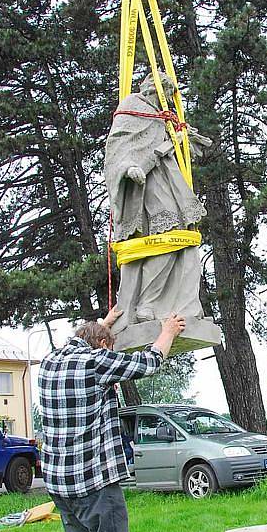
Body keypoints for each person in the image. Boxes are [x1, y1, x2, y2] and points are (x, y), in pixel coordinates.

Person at [38, 307, 185, 532]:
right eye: (109, 347)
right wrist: (169, 331)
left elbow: (77, 339)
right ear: (102, 346)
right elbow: (148, 363)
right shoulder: (94, 363)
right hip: (93, 480)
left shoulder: (49, 363)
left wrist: (100, 325)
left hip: (60, 484)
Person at [104, 71, 212, 336]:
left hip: (170, 180)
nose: (167, 98)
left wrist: (184, 137)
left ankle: (161, 304)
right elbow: (117, 146)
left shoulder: (163, 113)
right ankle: (147, 304)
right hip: (146, 185)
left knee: (180, 242)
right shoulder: (133, 105)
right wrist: (129, 168)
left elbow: (182, 143)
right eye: (165, 91)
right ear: (153, 87)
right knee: (167, 238)